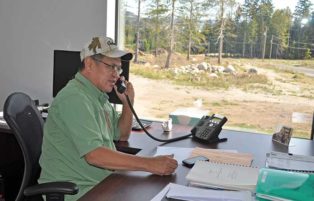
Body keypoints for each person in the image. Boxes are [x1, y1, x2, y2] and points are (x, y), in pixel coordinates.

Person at [39, 36, 178, 201]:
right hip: (77, 191)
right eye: (111, 67)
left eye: (118, 69)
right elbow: (95, 155)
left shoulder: (98, 96)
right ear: (89, 64)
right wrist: (150, 164)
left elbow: (122, 134)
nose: (116, 75)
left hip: (99, 183)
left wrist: (127, 103)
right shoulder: (75, 98)